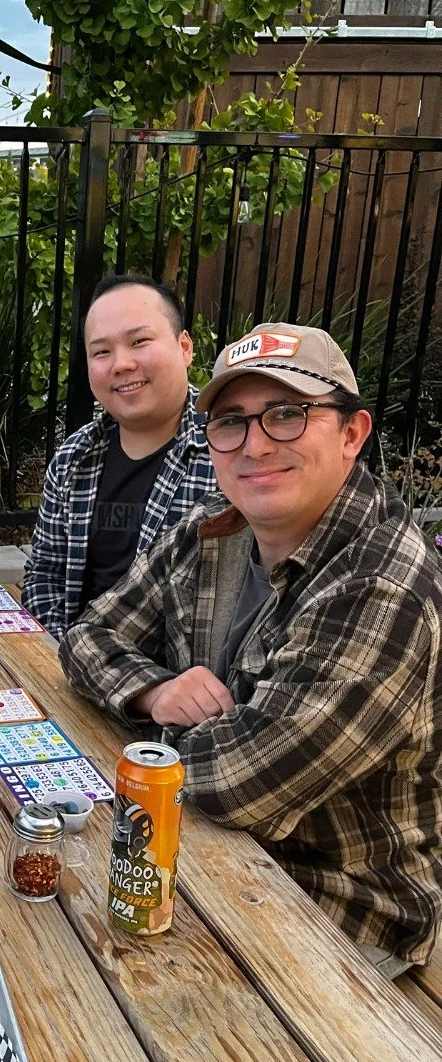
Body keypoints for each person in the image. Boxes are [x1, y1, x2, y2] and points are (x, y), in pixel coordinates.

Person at [60, 322, 442, 971]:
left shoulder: (385, 586)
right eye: (231, 422)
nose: (255, 445)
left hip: (337, 913)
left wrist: (145, 743)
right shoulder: (213, 527)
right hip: (197, 845)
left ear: (352, 433)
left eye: (287, 416)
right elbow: (86, 638)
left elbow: (240, 782)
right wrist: (157, 688)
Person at [22, 273, 215, 640]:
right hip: (77, 665)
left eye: (139, 341)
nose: (121, 364)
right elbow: (45, 572)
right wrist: (66, 654)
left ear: (185, 347)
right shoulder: (73, 459)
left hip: (180, 684)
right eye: (101, 351)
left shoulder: (231, 453)